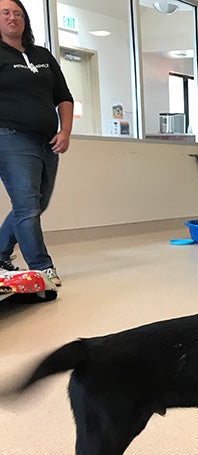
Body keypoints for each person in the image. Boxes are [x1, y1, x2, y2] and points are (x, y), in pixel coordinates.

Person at [0, 0, 73, 286]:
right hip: (9, 138)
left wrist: (65, 131)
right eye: (5, 12)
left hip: (47, 142)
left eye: (18, 13)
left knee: (35, 204)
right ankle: (43, 268)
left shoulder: (42, 54)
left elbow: (63, 96)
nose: (12, 17)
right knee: (27, 206)